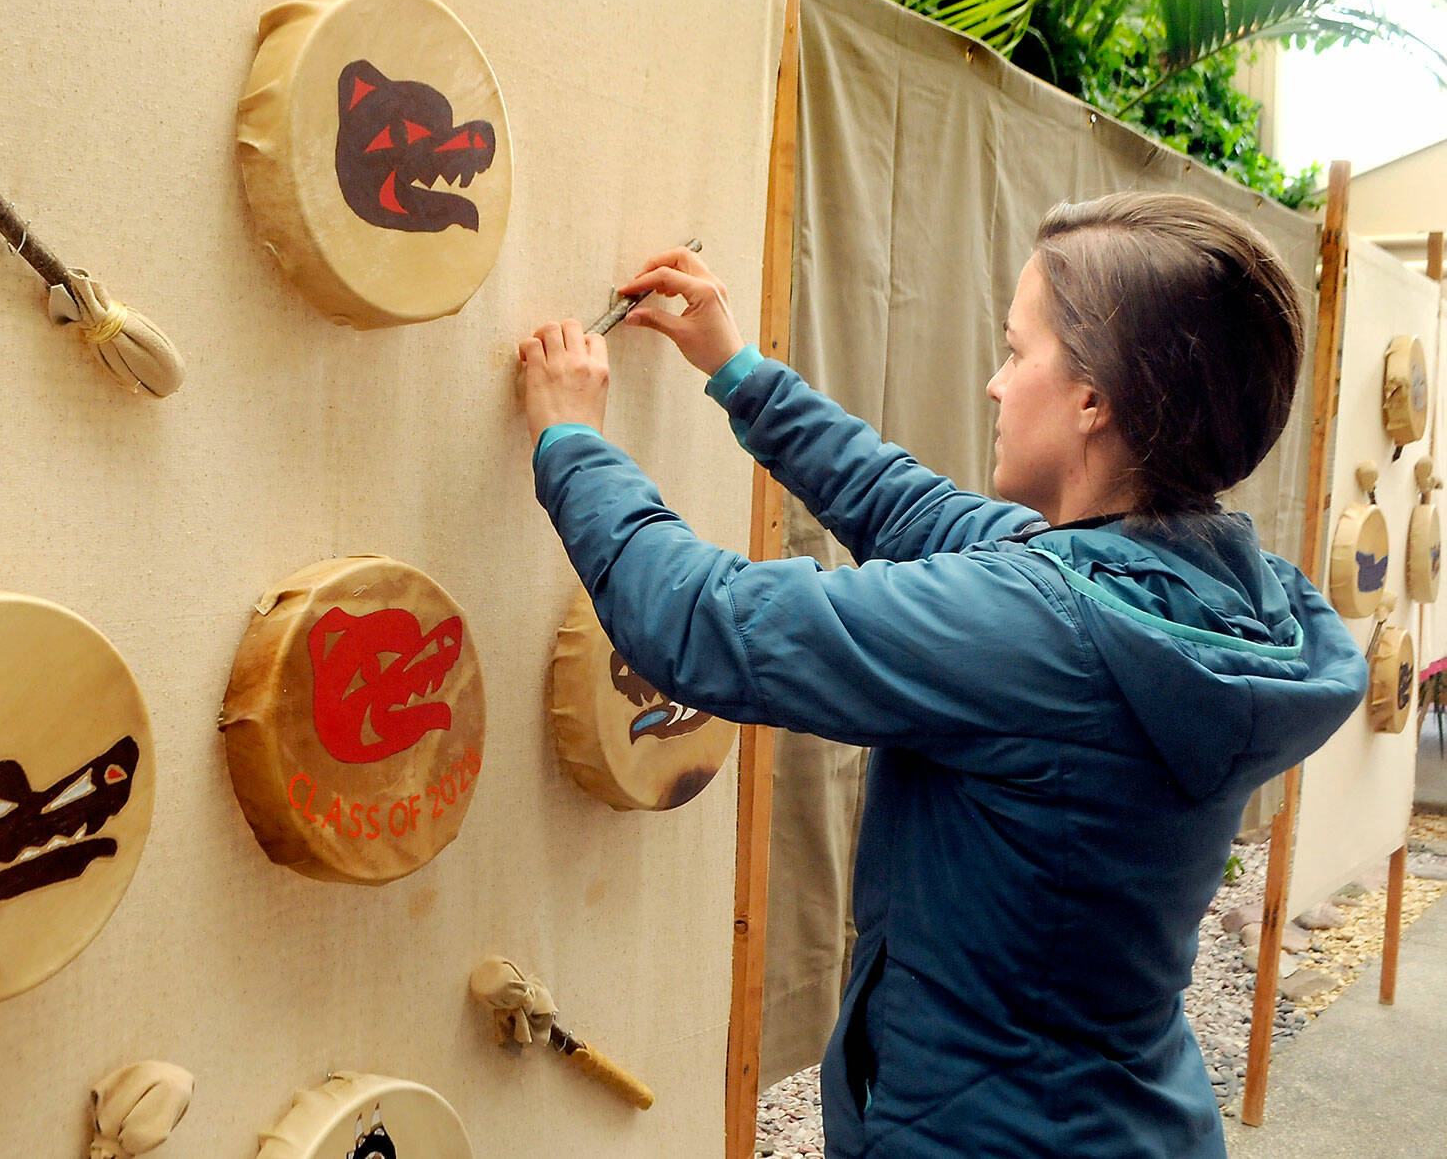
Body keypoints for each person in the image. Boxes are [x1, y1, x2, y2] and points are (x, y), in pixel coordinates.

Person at [516, 192, 1368, 1158]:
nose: (997, 385)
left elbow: (707, 626)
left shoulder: (1040, 629)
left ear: (1096, 399)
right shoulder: (1195, 584)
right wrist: (737, 370)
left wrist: (573, 441)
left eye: (1017, 351)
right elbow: (911, 507)